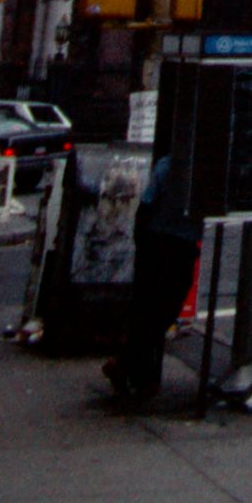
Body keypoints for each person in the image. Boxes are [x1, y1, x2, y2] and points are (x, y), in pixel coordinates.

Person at [104, 155, 204, 404]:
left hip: (160, 241)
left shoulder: (167, 165)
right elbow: (147, 204)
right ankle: (135, 370)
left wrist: (142, 239)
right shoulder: (178, 166)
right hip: (175, 243)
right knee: (160, 311)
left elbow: (146, 204)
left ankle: (130, 367)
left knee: (151, 311)